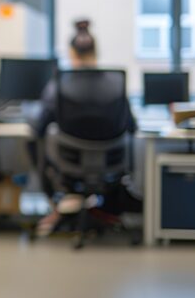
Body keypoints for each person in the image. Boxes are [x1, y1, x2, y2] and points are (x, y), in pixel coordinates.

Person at [30, 20, 137, 236]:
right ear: (96, 51)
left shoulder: (60, 84)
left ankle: (56, 206)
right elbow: (133, 126)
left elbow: (40, 126)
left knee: (36, 141)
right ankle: (102, 208)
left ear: (71, 52)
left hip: (69, 162)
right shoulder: (113, 83)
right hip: (110, 163)